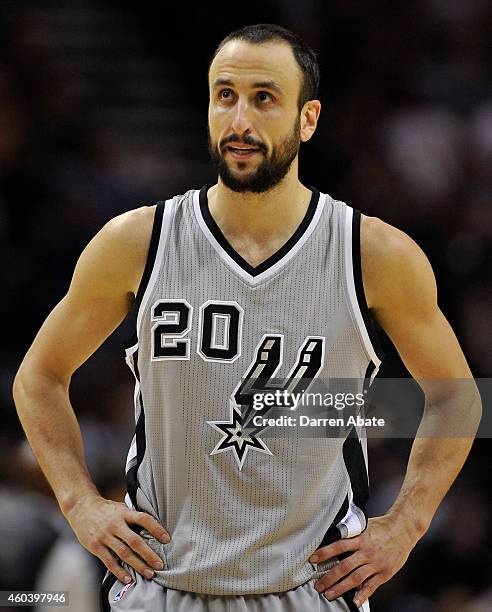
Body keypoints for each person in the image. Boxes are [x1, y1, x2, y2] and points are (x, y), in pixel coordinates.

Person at [13, 23, 481, 612]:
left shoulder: (374, 254)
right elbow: (39, 378)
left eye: (264, 98)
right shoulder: (138, 241)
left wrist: (405, 526)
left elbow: (457, 397)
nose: (239, 122)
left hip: (311, 591)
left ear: (307, 119)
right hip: (164, 587)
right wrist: (81, 503)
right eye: (225, 95)